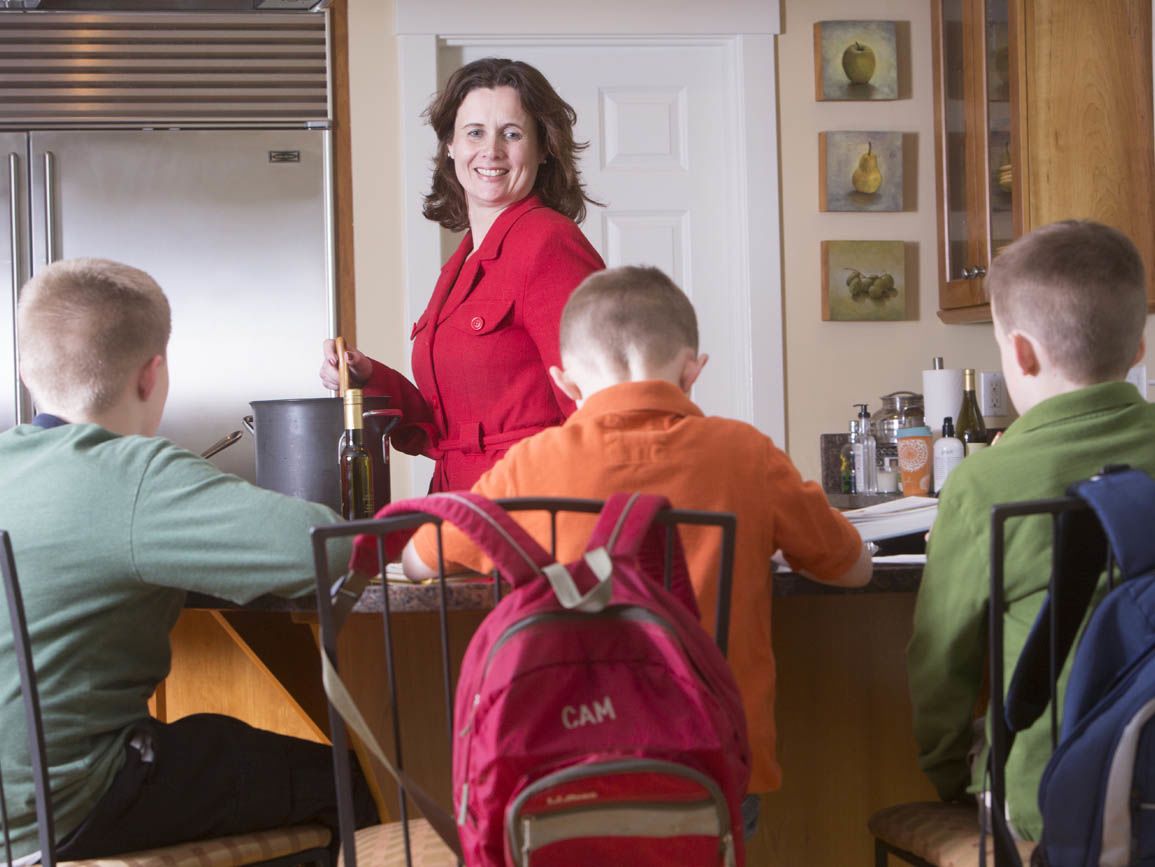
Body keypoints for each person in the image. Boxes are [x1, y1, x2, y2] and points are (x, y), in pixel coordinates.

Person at [400, 265, 874, 837]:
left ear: (566, 383)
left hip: (566, 765)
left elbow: (420, 560)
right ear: (693, 371)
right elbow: (853, 569)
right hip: (713, 769)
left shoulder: (533, 462)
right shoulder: (745, 455)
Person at [0, 259, 377, 863]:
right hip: (64, 809)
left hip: (14, 812)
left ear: (26, 373)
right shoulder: (133, 475)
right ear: (153, 375)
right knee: (359, 782)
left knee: (211, 744)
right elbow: (329, 550)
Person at [907, 220, 1155, 840]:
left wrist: (950, 774)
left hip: (1054, 801)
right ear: (1139, 348)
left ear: (1018, 352)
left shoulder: (984, 484)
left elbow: (941, 667)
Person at [321, 57, 605, 493]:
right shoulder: (464, 261)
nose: (491, 150)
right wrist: (368, 379)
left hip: (529, 508)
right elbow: (441, 425)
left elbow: (599, 410)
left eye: (512, 133)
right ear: (450, 145)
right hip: (458, 506)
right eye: (475, 132)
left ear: (543, 147)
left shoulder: (549, 243)